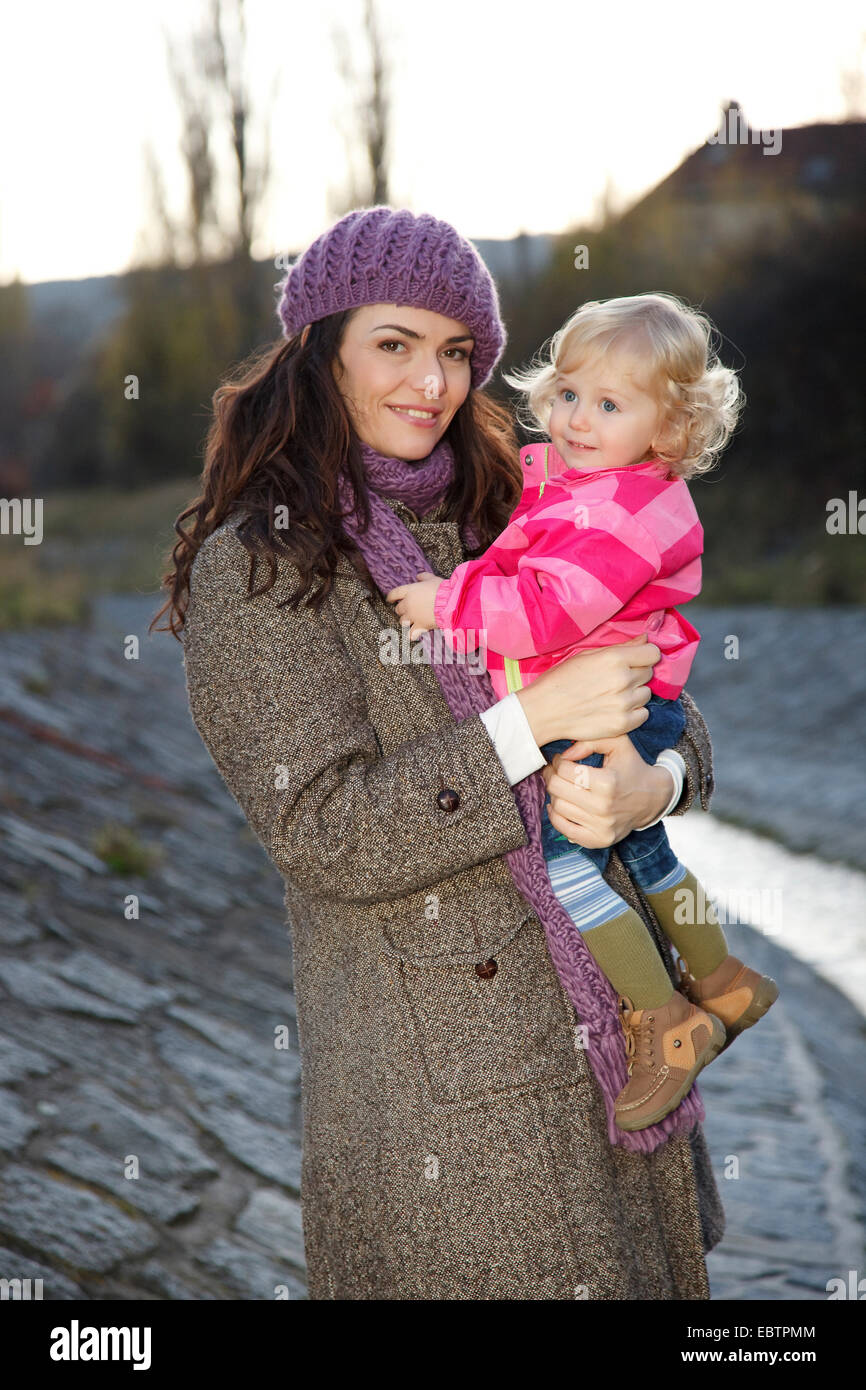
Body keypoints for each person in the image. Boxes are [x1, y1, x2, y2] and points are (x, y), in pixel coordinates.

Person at [153, 206, 726, 1300]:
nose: (432, 382)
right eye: (395, 344)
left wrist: (653, 780)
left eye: (456, 352)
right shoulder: (261, 566)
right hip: (449, 1116)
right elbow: (325, 830)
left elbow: (664, 695)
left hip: (619, 1059)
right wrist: (530, 721)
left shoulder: (520, 507)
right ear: (321, 351)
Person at [387, 292, 779, 1132]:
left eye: (609, 404)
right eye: (568, 393)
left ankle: (668, 1022)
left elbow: (547, 609)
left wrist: (445, 602)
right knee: (643, 851)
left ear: (669, 429)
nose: (575, 418)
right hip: (622, 706)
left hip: (621, 715)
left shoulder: (629, 510)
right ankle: (726, 982)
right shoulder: (587, 484)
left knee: (570, 865)